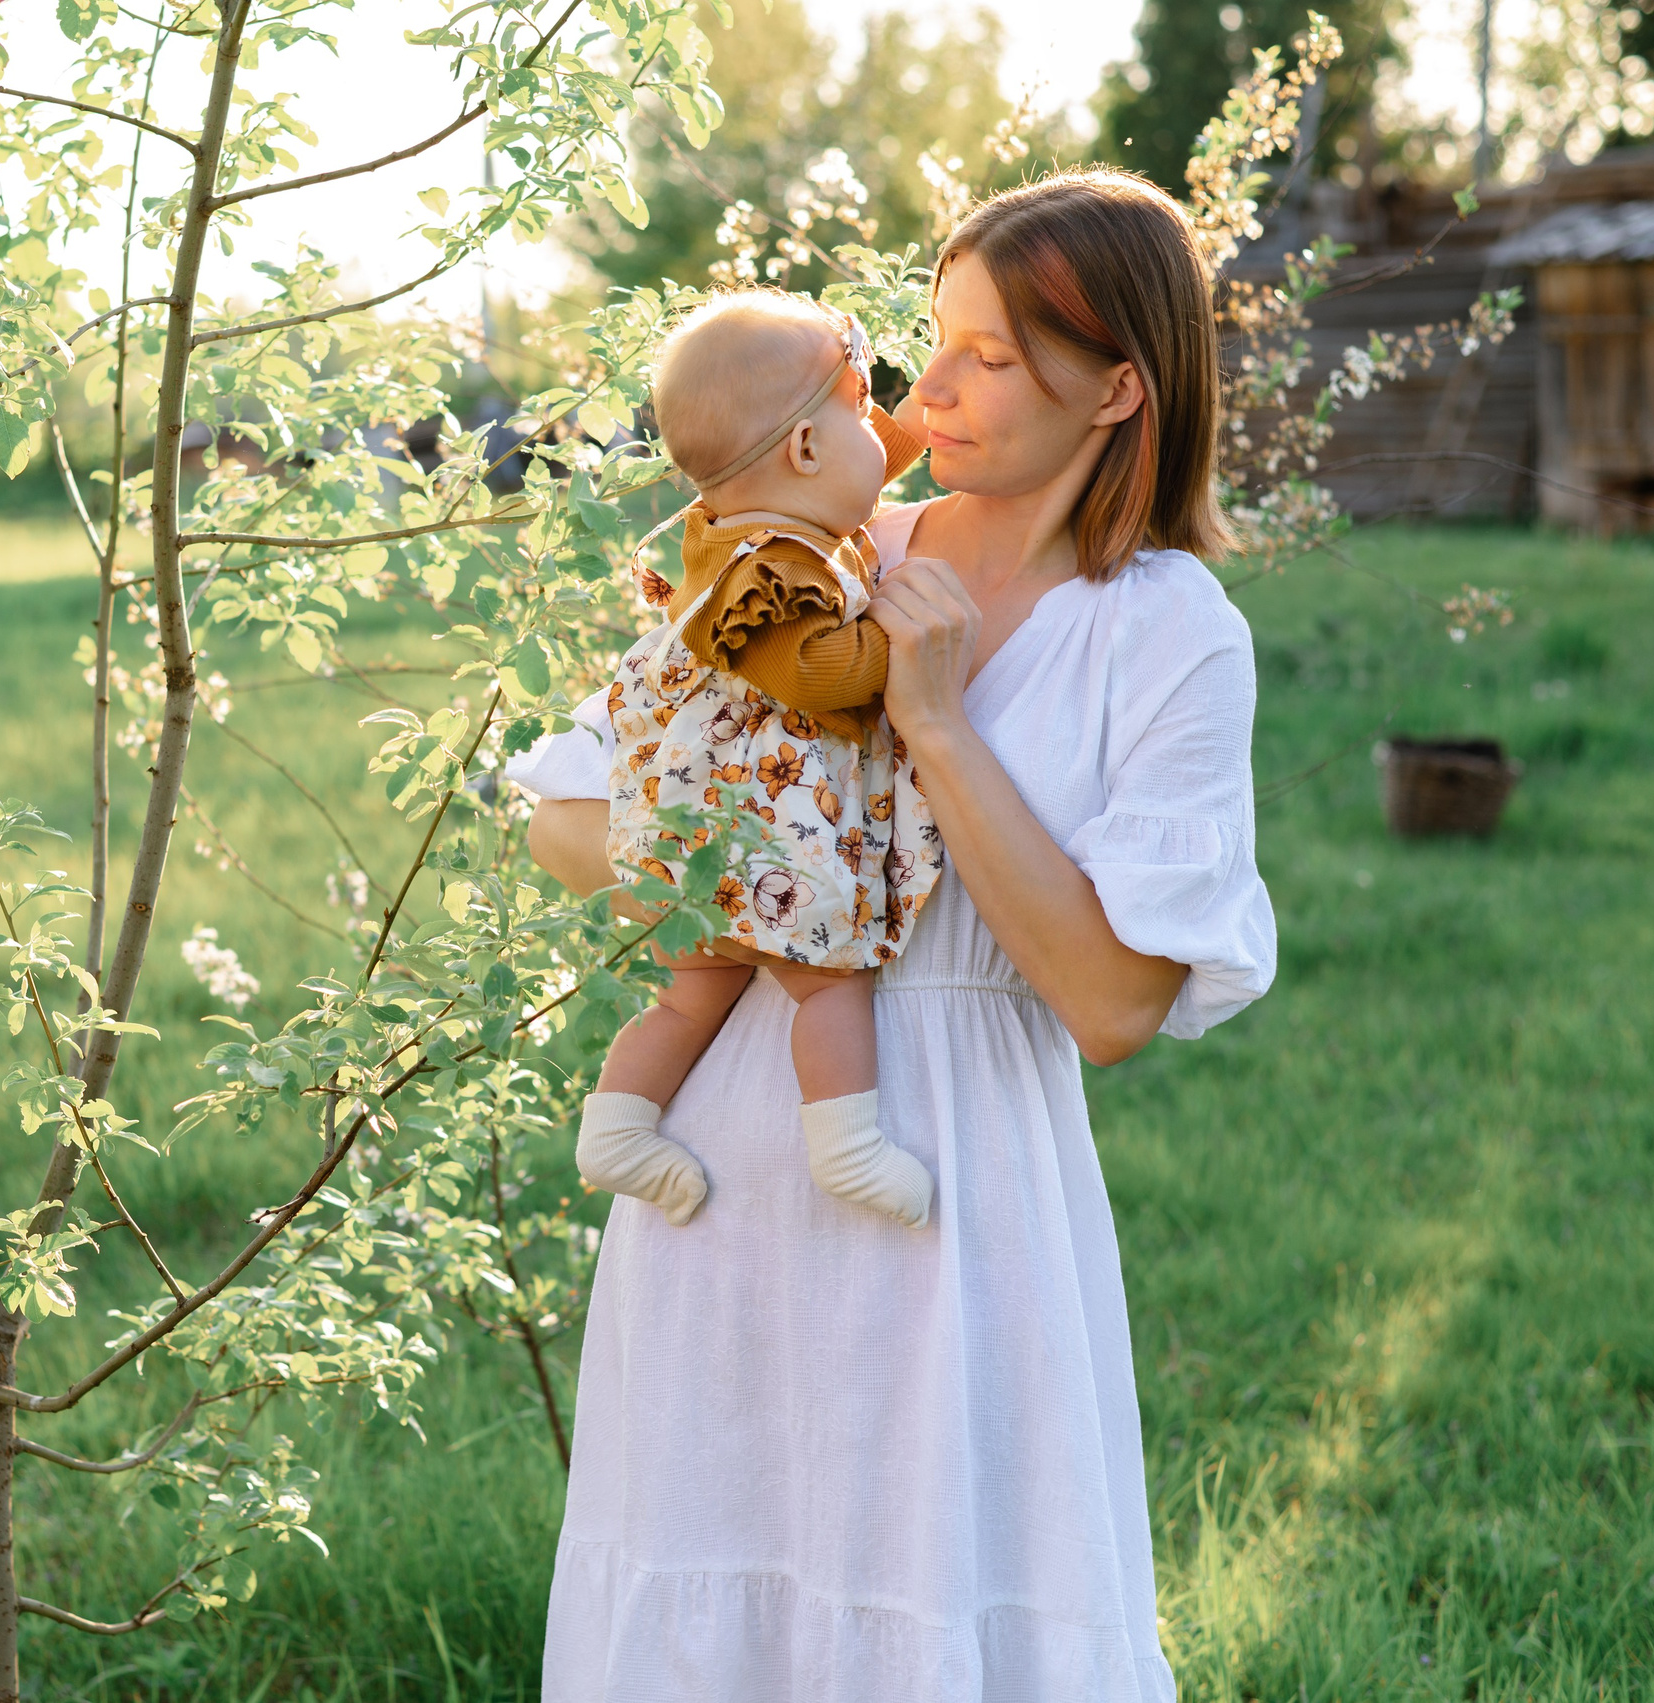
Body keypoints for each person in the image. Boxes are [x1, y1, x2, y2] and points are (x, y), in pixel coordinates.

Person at [510, 168, 1278, 1702]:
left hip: (961, 1189)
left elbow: (1114, 1001)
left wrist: (931, 719)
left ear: (1119, 385)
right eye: (938, 343)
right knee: (716, 1600)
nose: (931, 392)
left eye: (991, 356)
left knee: (937, 1592)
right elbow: (567, 813)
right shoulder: (816, 550)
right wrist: (738, 859)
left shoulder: (1167, 628)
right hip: (728, 1168)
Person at [579, 290, 942, 1236]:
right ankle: (846, 1146)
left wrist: (916, 417)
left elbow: (873, 456)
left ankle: (615, 1127)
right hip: (759, 831)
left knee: (692, 987)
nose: (880, 432)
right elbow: (817, 675)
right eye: (861, 408)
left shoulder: (756, 522)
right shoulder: (766, 573)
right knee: (830, 978)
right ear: (807, 450)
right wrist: (903, 641)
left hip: (701, 834)